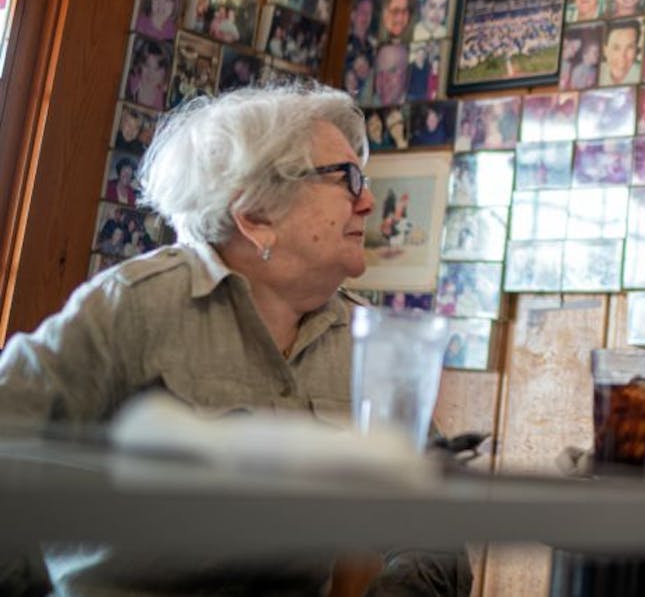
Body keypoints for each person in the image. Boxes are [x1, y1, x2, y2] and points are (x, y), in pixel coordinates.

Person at [0, 84, 472, 595]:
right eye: (347, 179)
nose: (366, 201)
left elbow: (437, 516)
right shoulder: (133, 305)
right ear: (256, 215)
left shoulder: (364, 340)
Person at [599, 19, 642, 85]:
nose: (622, 57)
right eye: (616, 48)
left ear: (636, 50)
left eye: (630, 47)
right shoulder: (596, 74)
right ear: (605, 51)